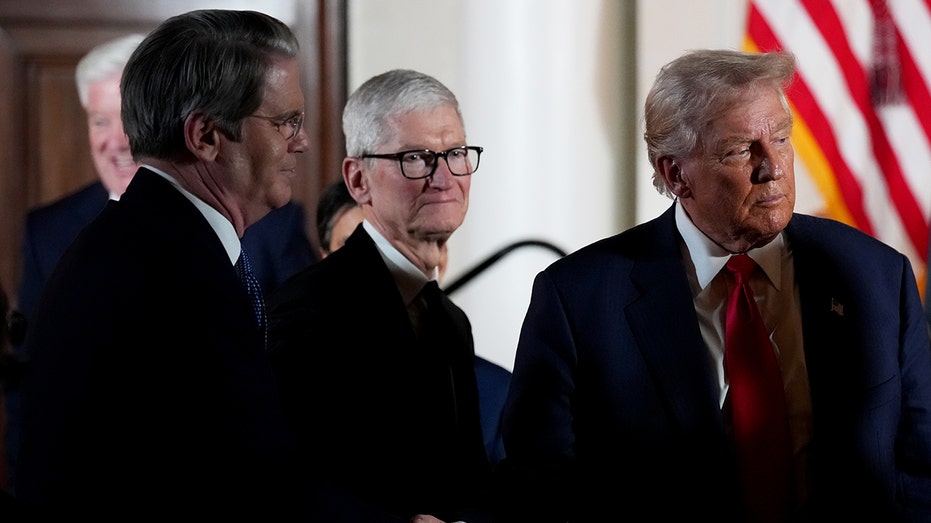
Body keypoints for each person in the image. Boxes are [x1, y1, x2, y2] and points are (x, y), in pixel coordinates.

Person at [499, 49, 931, 522]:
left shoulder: (875, 276)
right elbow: (540, 486)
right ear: (675, 174)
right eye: (741, 150)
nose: (774, 168)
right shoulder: (578, 299)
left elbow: (920, 465)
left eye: (781, 139)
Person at [14, 10, 310, 518]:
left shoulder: (153, 239)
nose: (300, 141)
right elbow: (250, 478)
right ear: (206, 136)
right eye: (286, 122)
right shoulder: (172, 271)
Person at [268, 69, 495, 522]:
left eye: (455, 153)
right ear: (358, 180)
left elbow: (465, 483)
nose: (444, 178)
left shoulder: (451, 321)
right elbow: (281, 479)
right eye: (416, 158)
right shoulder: (308, 310)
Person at [314, 178, 511, 464]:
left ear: (438, 261)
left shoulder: (496, 396)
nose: (373, 269)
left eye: (390, 251)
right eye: (351, 252)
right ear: (324, 263)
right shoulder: (304, 379)